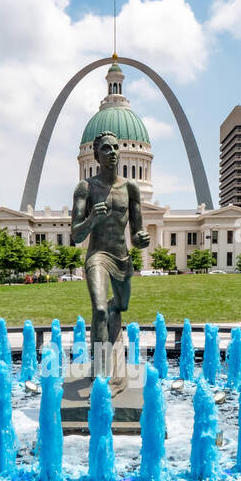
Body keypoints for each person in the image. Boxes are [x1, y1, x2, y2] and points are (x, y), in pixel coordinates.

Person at [71, 130, 150, 388]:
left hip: (121, 256)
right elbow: (75, 234)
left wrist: (141, 238)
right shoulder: (86, 188)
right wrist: (92, 218)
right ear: (96, 155)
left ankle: (110, 332)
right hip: (97, 255)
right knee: (100, 309)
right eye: (106, 148)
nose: (113, 152)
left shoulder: (130, 188)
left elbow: (137, 233)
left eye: (116, 147)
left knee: (120, 306)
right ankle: (102, 373)